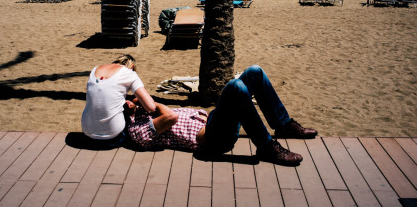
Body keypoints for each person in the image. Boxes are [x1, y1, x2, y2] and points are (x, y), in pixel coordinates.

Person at [127, 65, 318, 166]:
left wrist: (145, 106)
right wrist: (151, 104)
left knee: (254, 72)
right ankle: (267, 147)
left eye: (130, 97)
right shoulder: (137, 130)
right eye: (126, 102)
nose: (130, 101)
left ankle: (283, 124)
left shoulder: (145, 112)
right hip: (213, 140)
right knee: (235, 87)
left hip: (214, 122)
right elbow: (171, 118)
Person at [80, 54, 157, 149]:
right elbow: (151, 107)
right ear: (132, 66)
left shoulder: (95, 69)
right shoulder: (129, 73)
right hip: (112, 138)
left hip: (87, 134)